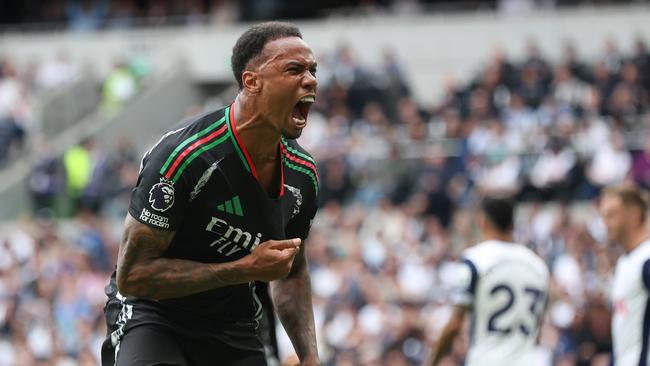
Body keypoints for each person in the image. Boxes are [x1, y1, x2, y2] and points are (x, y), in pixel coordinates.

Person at [101, 22, 321, 366]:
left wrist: (309, 357)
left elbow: (291, 271)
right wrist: (245, 268)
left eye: (312, 70)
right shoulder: (185, 156)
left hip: (232, 322)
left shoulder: (302, 174)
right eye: (294, 69)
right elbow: (135, 276)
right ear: (252, 82)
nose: (310, 80)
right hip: (154, 315)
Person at [430, 197, 550, 366]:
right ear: (512, 225)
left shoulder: (475, 260)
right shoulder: (538, 266)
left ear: (483, 222)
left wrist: (432, 361)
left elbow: (455, 324)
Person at [599, 185, 650, 366]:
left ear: (634, 215)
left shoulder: (646, 259)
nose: (606, 223)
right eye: (603, 216)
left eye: (612, 215)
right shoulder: (625, 262)